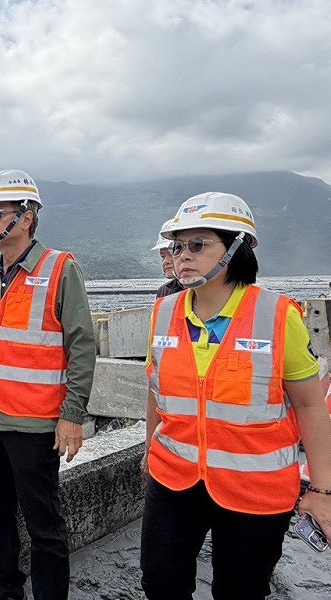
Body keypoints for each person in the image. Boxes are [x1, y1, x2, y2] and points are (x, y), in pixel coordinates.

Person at [140, 192, 331, 600]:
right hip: (173, 478)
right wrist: (148, 452)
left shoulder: (278, 316)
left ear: (237, 248)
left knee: (240, 590)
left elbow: (310, 405)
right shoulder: (163, 312)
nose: (182, 256)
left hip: (255, 490)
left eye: (198, 244)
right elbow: (156, 390)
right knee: (160, 582)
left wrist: (322, 490)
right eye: (178, 246)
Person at [0, 169, 96, 600]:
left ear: (26, 217)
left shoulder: (60, 269)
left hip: (36, 423)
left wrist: (72, 416)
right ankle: (6, 590)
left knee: (44, 525)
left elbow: (82, 346)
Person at [151, 218, 183, 298]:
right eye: (163, 256)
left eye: (171, 254)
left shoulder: (204, 290)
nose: (166, 261)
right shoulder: (164, 292)